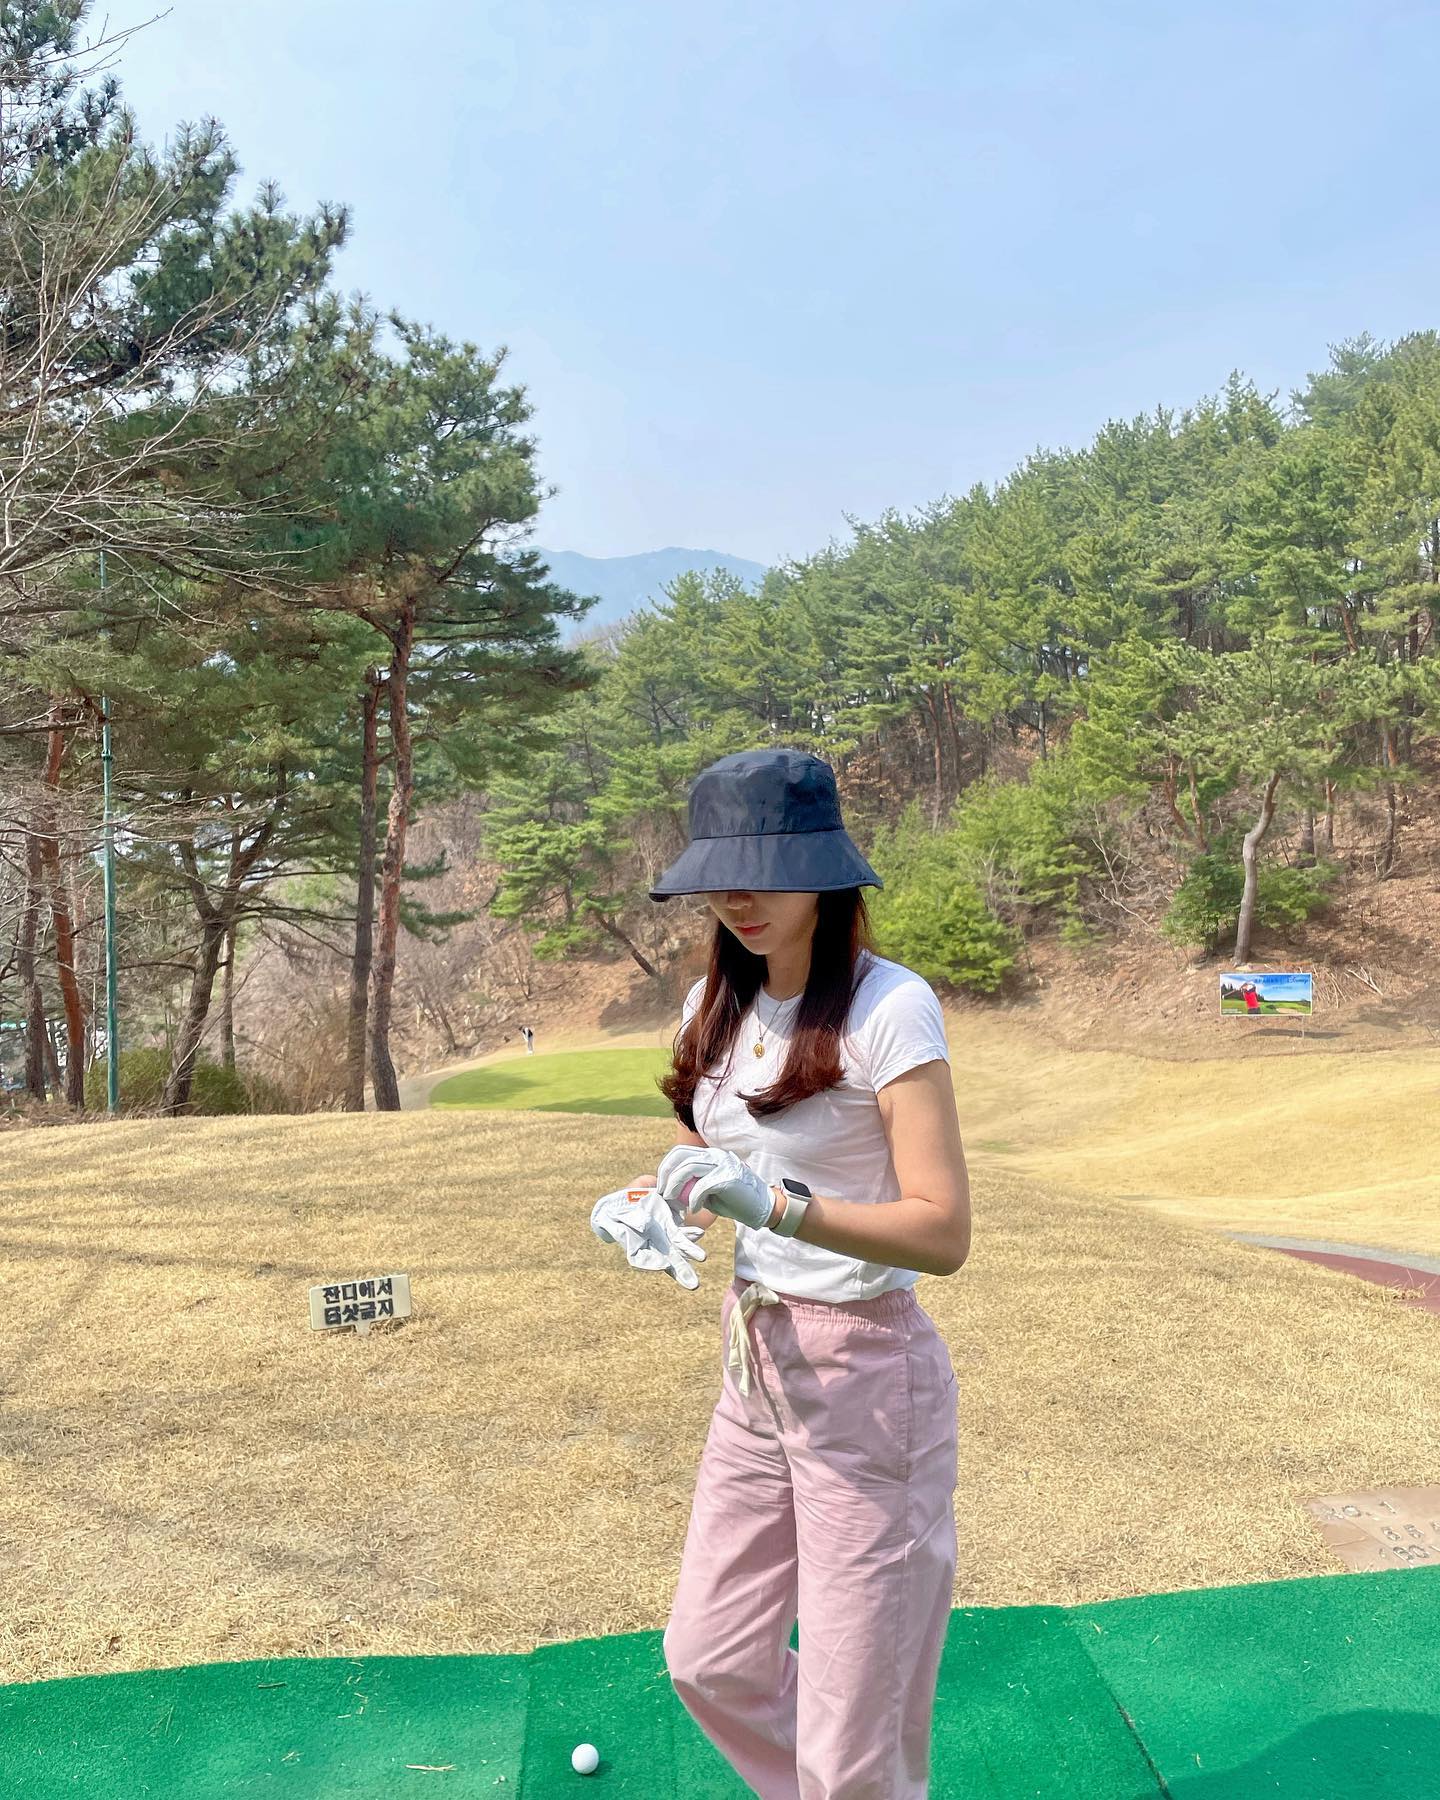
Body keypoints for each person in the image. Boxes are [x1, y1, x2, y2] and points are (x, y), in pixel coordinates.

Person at [645, 747, 970, 1800]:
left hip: (868, 1380)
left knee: (852, 1736)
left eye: (764, 872)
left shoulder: (889, 1007)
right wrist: (657, 1200)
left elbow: (943, 1231)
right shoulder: (713, 1001)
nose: (736, 899)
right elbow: (712, 1160)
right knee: (711, 1657)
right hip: (757, 1365)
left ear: (824, 871)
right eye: (719, 876)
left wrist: (778, 1208)